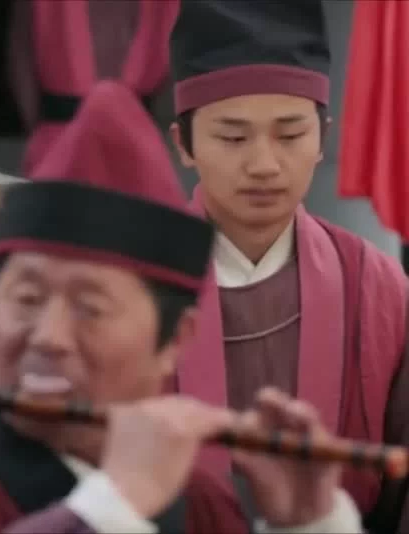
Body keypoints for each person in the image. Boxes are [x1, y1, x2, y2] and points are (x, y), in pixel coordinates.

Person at [0, 178, 364, 533]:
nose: (48, 337)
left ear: (175, 341)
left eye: (89, 309)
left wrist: (309, 523)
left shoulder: (202, 505)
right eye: (26, 298)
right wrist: (114, 505)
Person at [167, 0, 409, 528]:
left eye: (291, 134)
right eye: (233, 137)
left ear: (323, 137)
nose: (264, 164)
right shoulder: (138, 285)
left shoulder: (379, 287)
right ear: (184, 143)